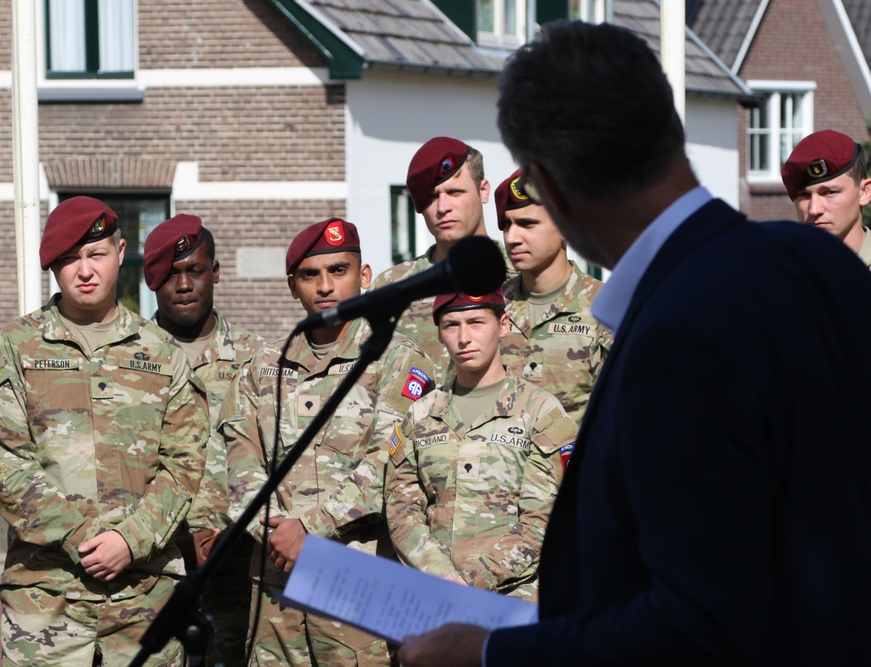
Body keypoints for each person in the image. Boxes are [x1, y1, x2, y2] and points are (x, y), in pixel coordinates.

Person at [397, 21, 871, 667]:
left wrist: (489, 651)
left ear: (552, 187)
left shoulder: (677, 334)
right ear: (669, 129)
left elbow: (700, 625)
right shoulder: (828, 266)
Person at [0, 196, 208, 666]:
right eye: (69, 259)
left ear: (120, 253)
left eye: (95, 254)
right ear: (54, 268)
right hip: (45, 601)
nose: (85, 270)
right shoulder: (16, 346)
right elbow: (3, 460)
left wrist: (130, 539)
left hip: (145, 599)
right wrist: (80, 535)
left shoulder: (162, 352)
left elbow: (185, 463)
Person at [219, 218, 435, 666]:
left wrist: (310, 529)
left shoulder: (398, 359)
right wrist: (280, 534)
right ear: (291, 286)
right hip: (275, 585)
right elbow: (238, 462)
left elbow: (390, 463)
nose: (324, 286)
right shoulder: (262, 368)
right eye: (309, 275)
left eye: (339, 270)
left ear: (365, 276)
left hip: (356, 582)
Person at [782, 130, 871, 666]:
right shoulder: (783, 283)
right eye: (804, 196)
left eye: (830, 192)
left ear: (865, 191)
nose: (815, 208)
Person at [385, 289, 576, 599]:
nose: (464, 338)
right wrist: (442, 578)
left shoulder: (541, 411)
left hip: (514, 601)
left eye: (476, 322)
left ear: (503, 325)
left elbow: (543, 518)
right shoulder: (422, 413)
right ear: (439, 333)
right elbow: (402, 508)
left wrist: (475, 580)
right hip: (434, 597)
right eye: (451, 325)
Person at [143, 213, 262, 667]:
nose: (184, 284)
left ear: (215, 273)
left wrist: (234, 532)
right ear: (153, 280)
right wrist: (172, 536)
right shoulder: (128, 357)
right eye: (171, 274)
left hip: (237, 564)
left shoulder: (259, 360)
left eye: (195, 270)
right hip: (153, 565)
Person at [370, 136, 509, 384]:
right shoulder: (391, 288)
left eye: (455, 192)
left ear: (483, 190)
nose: (443, 207)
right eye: (432, 197)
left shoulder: (521, 276)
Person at [495, 169, 612, 428]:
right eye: (506, 225)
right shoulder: (492, 306)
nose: (512, 238)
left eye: (527, 224)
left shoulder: (607, 309)